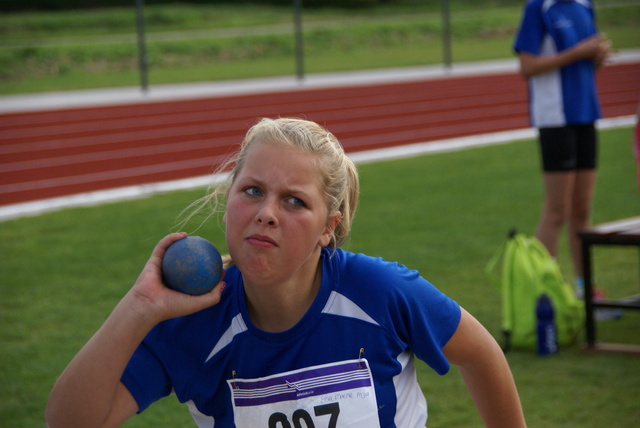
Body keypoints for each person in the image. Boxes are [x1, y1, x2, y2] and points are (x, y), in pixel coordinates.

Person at [46, 118, 527, 427]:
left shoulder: (379, 292)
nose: (267, 212)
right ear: (228, 198)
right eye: (253, 190)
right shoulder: (192, 322)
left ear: (327, 228)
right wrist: (141, 307)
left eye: (294, 201)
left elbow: (482, 355)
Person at [513, 0, 613, 297]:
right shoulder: (540, 8)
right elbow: (527, 66)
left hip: (586, 112)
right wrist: (577, 53)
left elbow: (587, 63)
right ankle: (544, 291)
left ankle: (584, 289)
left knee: (583, 209)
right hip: (556, 117)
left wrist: (597, 56)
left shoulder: (585, 5)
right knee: (557, 210)